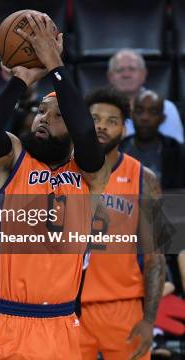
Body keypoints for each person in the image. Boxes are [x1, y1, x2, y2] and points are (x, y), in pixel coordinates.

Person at [0, 12, 111, 359]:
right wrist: (22, 79)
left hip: (59, 324)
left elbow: (86, 133)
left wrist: (55, 63)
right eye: (41, 111)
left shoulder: (91, 174)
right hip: (1, 322)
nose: (44, 118)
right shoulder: (13, 158)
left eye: (58, 115)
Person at [81, 88, 165, 360]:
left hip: (123, 306)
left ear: (124, 128)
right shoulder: (62, 171)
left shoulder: (144, 178)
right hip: (67, 306)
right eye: (94, 118)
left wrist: (149, 321)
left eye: (111, 120)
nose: (102, 125)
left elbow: (156, 258)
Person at [107, 49, 184, 143]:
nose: (126, 75)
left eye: (132, 69)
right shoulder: (96, 110)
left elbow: (175, 151)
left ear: (143, 74)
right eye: (120, 70)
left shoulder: (167, 108)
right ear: (110, 77)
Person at [121, 90, 185, 189]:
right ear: (132, 115)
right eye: (139, 111)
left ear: (162, 118)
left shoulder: (178, 152)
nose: (145, 117)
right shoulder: (118, 148)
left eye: (153, 112)